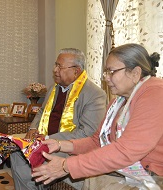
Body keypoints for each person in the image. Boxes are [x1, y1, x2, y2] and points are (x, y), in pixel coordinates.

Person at [32, 43, 163, 190]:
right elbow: (97, 142)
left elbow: (127, 150)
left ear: (135, 73)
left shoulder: (155, 93)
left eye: (111, 71)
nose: (106, 78)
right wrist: (60, 144)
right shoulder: (117, 102)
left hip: (152, 176)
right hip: (126, 171)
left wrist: (65, 166)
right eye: (106, 72)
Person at [10, 48, 107, 189]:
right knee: (16, 152)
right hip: (45, 140)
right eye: (55, 65)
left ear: (76, 71)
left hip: (68, 147)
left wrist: (48, 139)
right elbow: (42, 111)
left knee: (32, 156)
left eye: (59, 66)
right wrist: (33, 128)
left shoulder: (95, 94)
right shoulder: (54, 88)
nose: (55, 70)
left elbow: (88, 133)